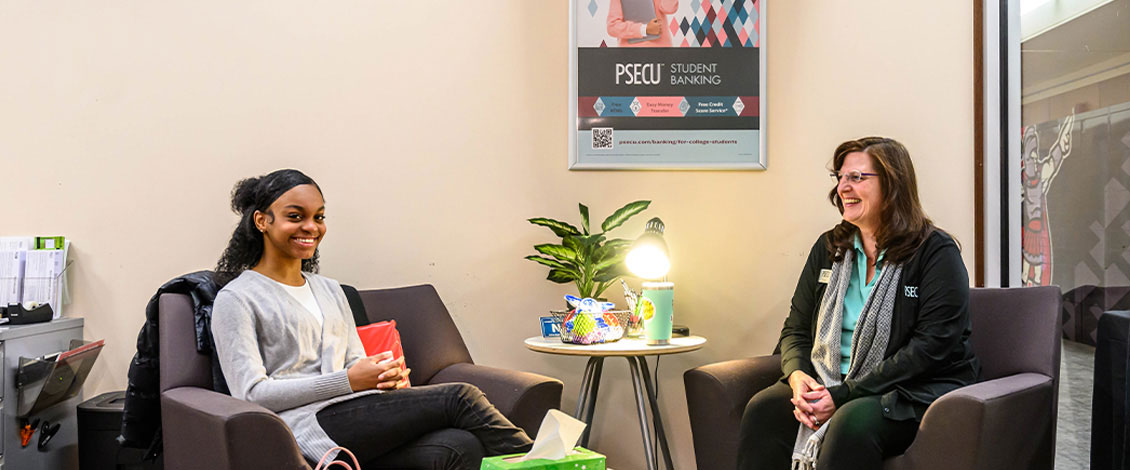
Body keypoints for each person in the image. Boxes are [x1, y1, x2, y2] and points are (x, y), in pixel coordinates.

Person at [210, 169, 533, 469]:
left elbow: (354, 365)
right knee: (461, 397)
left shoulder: (331, 290)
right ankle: (551, 462)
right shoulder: (238, 298)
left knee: (460, 445)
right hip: (305, 426)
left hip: (356, 416)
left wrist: (379, 378)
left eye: (319, 217)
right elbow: (250, 394)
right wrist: (348, 380)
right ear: (262, 221)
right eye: (295, 216)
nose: (311, 227)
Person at [737, 137, 980, 470]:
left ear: (893, 185)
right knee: (764, 409)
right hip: (830, 379)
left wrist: (844, 394)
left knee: (852, 421)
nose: (842, 188)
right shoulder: (830, 247)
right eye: (840, 178)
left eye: (856, 178)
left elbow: (931, 346)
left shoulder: (935, 252)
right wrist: (797, 377)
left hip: (910, 388)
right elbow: (795, 328)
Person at [606, 0, 678, 47]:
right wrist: (644, 29)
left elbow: (669, 8)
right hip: (632, 54)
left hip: (661, 51)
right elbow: (612, 27)